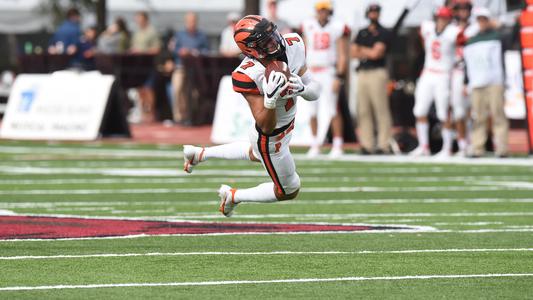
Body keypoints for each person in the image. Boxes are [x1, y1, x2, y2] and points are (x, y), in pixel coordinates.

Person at [182, 15, 321, 217]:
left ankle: (199, 154)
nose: (275, 42)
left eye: (273, 34)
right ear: (251, 50)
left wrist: (303, 89)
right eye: (267, 41)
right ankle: (233, 196)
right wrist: (271, 100)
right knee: (289, 189)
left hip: (283, 126)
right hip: (271, 138)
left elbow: (315, 91)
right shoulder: (246, 74)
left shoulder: (294, 43)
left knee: (255, 153)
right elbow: (265, 126)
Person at [301, 0, 350, 157]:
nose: (322, 13)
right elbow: (303, 49)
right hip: (312, 71)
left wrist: (340, 76)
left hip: (328, 71)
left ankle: (337, 143)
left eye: (325, 10)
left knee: (332, 108)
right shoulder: (308, 25)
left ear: (330, 11)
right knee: (312, 109)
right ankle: (315, 143)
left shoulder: (337, 27)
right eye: (320, 10)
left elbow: (343, 54)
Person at [410, 7, 460, 157]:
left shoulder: (453, 32)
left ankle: (447, 148)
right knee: (419, 110)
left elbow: (462, 41)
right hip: (428, 72)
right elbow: (420, 36)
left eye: (444, 18)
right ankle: (423, 146)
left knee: (443, 113)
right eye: (440, 17)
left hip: (443, 74)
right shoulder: (428, 28)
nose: (441, 21)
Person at [463, 7, 509, 157]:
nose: (481, 23)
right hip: (477, 82)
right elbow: (467, 63)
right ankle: (477, 147)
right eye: (479, 20)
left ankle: (501, 148)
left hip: (495, 81)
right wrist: (466, 81)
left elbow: (511, 36)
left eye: (484, 19)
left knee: (498, 115)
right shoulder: (471, 40)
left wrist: (500, 25)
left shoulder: (497, 36)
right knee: (478, 117)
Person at [351, 3, 392, 155]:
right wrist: (367, 51)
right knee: (363, 109)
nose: (373, 14)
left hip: (377, 72)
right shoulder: (362, 32)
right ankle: (367, 144)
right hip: (363, 72)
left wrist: (362, 50)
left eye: (376, 12)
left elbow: (377, 54)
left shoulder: (384, 32)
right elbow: (353, 52)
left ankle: (384, 144)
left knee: (380, 108)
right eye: (372, 12)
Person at [168, 12, 210, 124]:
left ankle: (192, 117)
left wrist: (194, 53)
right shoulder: (179, 35)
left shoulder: (201, 35)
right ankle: (179, 117)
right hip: (180, 67)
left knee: (194, 93)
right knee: (177, 89)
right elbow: (173, 50)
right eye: (189, 21)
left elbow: (207, 51)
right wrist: (181, 52)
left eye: (193, 21)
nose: (191, 23)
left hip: (196, 69)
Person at [450, 0, 478, 156]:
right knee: (458, 112)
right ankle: (462, 145)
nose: (462, 11)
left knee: (474, 111)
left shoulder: (475, 27)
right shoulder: (450, 28)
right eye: (459, 8)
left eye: (465, 8)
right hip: (457, 72)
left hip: (474, 73)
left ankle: (474, 143)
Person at [131, 11, 162, 123]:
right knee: (141, 90)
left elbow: (156, 49)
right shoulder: (137, 33)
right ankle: (143, 113)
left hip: (149, 65)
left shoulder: (152, 32)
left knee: (149, 89)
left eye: (140, 19)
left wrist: (142, 52)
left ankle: (151, 113)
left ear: (145, 19)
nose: (138, 21)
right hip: (138, 66)